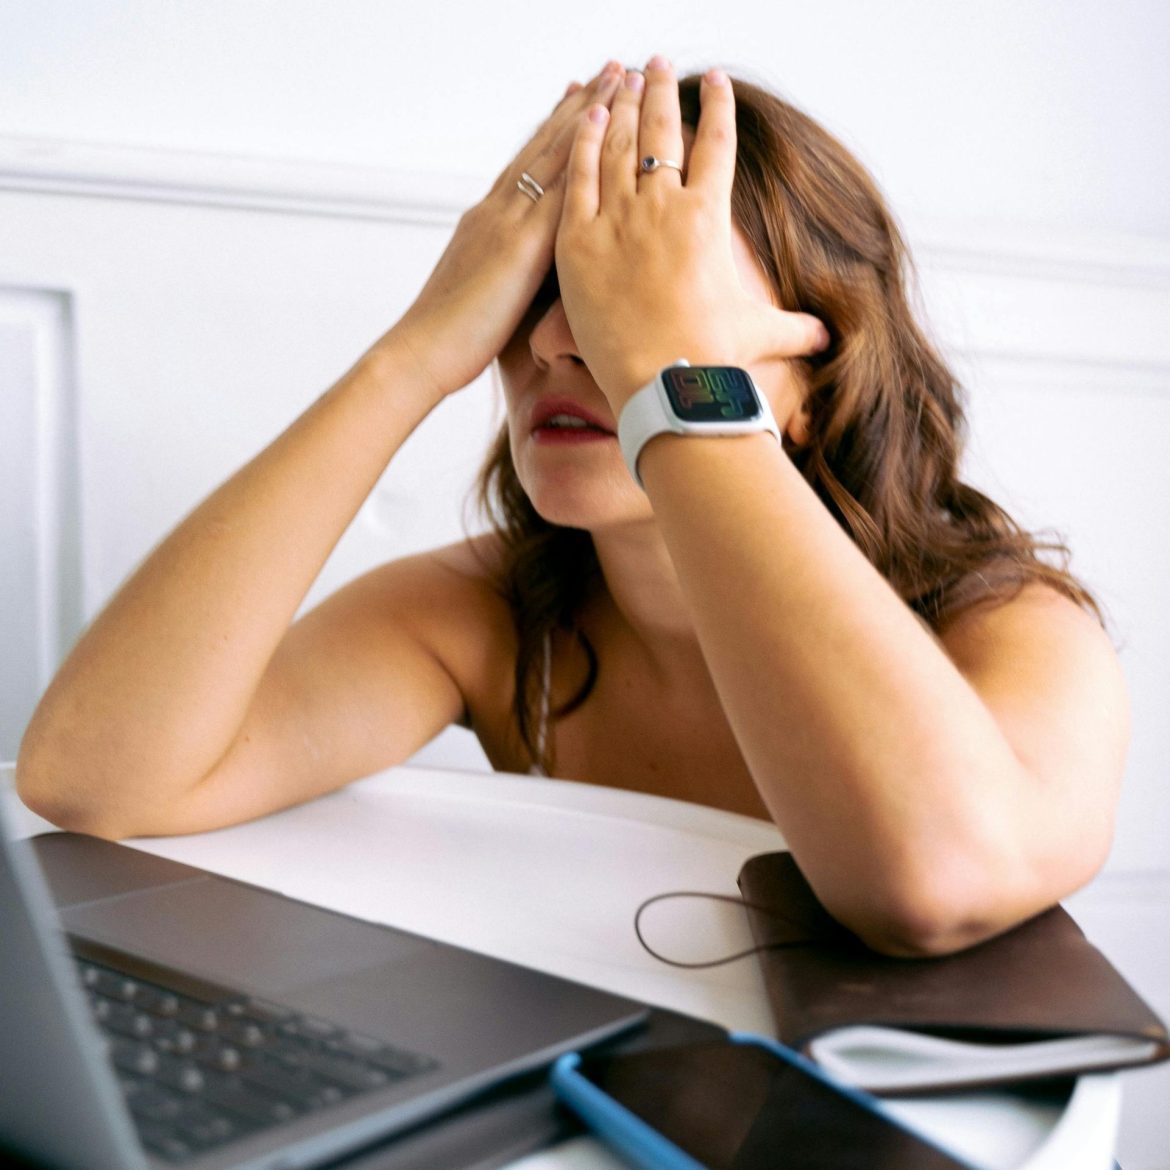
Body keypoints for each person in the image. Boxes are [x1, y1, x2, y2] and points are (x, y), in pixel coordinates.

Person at [16, 57, 1129, 957]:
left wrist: (671, 384)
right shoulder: (489, 615)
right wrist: (414, 355)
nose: (559, 340)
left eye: (633, 304)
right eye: (544, 291)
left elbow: (932, 884)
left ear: (816, 378)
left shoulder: (1010, 628)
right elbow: (96, 778)